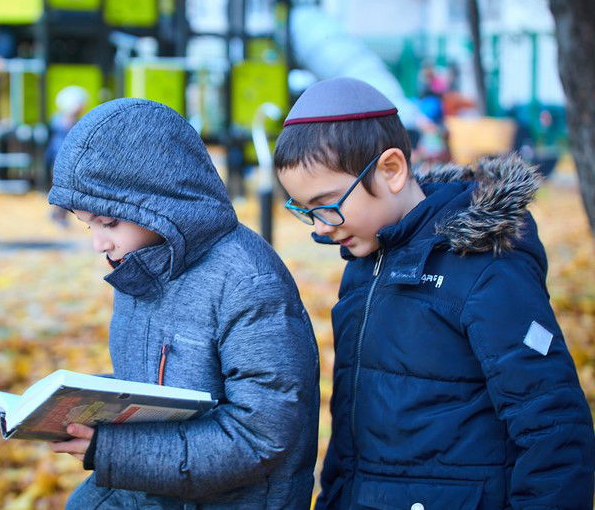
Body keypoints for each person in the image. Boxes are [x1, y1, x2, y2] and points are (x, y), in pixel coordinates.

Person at [274, 77, 595, 509]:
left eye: (327, 204)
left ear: (390, 170)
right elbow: (352, 427)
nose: (320, 227)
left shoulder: (485, 265)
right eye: (304, 210)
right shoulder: (364, 269)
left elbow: (553, 427)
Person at [46, 98, 320, 508]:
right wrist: (76, 403)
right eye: (88, 224)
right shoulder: (140, 267)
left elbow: (260, 434)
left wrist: (114, 452)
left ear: (158, 201)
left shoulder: (247, 282)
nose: (98, 243)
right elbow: (159, 388)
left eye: (109, 222)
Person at [44, 86, 88, 227]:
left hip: (69, 161)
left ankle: (59, 215)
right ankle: (58, 215)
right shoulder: (60, 122)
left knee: (68, 190)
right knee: (63, 189)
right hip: (60, 161)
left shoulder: (73, 121)